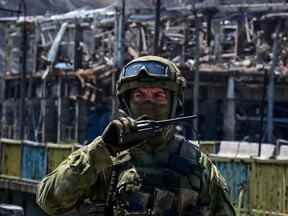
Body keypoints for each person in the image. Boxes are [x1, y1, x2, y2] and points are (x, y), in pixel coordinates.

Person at [37, 56, 236, 216]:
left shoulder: (198, 166)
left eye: (158, 96)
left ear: (174, 103)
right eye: (140, 96)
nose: (149, 103)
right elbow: (50, 202)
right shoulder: (102, 158)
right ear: (126, 103)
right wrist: (103, 149)